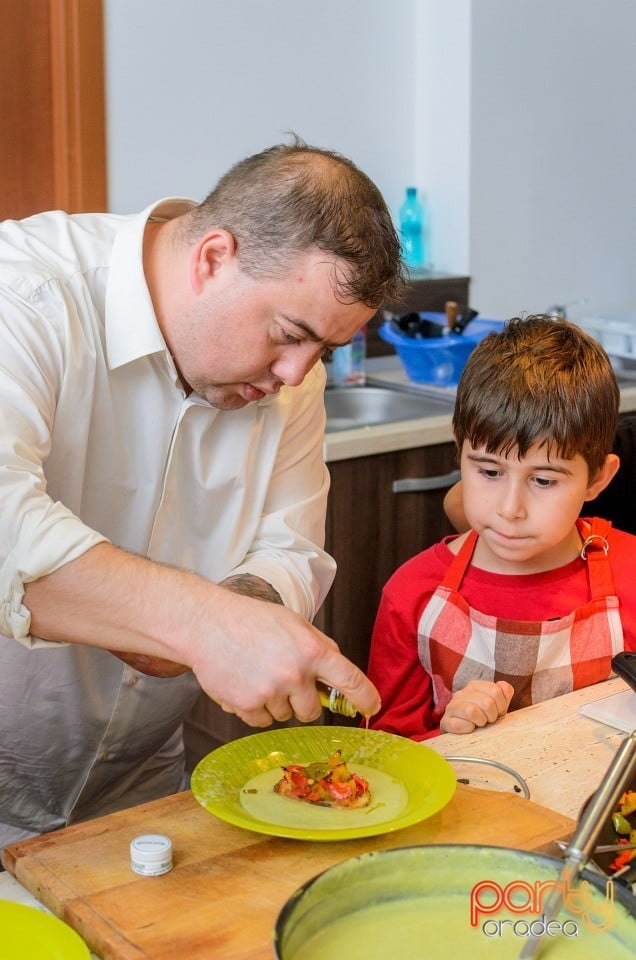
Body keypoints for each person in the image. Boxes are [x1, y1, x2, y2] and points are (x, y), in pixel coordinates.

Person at [0, 139, 403, 850]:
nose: (296, 372)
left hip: (136, 790)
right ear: (213, 257)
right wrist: (200, 622)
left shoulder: (289, 376)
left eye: (324, 352)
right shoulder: (27, 294)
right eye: (289, 335)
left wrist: (234, 612)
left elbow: (290, 547)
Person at [367, 315, 636, 741]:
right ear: (460, 454)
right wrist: (445, 733)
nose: (510, 509)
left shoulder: (631, 573)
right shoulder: (411, 592)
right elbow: (384, 753)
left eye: (543, 480)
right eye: (489, 472)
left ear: (598, 479)